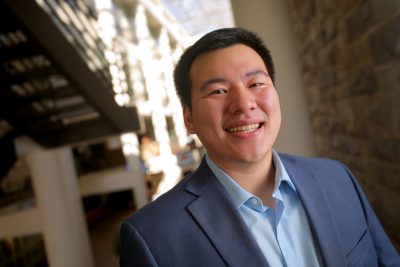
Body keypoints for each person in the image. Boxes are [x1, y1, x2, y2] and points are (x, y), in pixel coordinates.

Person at [120, 27, 400, 267]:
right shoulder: (153, 238)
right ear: (189, 118)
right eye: (218, 91)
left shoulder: (338, 178)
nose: (243, 103)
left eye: (256, 83)